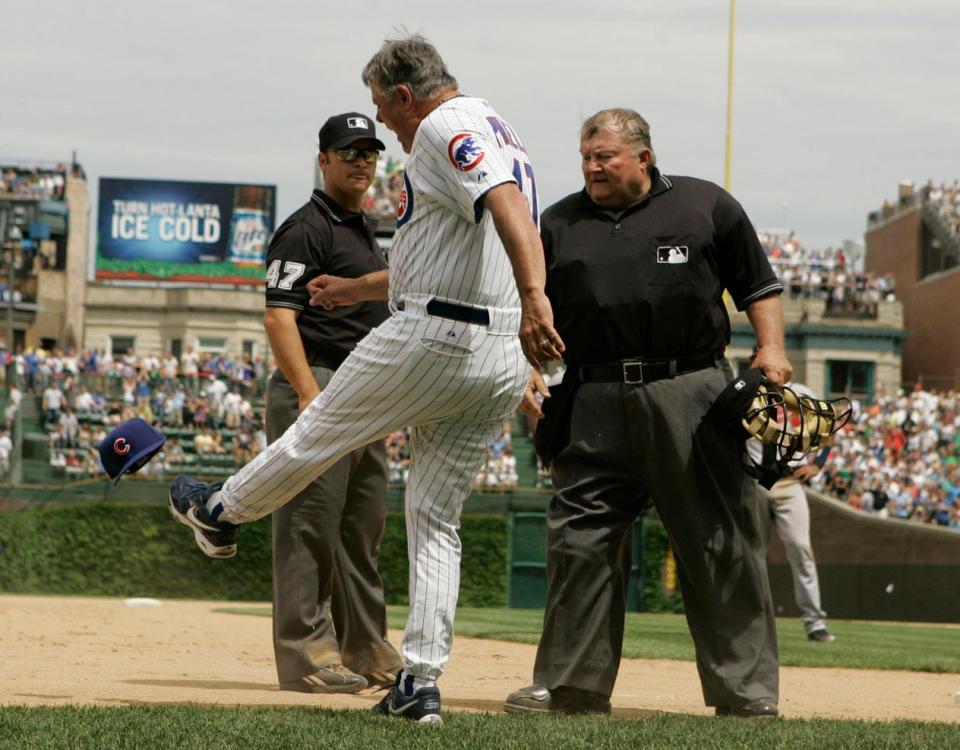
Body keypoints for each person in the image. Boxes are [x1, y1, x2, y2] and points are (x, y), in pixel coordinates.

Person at [167, 34, 560, 724]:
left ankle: (219, 512)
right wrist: (358, 290)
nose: (381, 121)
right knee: (435, 519)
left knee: (316, 431)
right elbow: (460, 242)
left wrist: (537, 298)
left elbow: (505, 206)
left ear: (407, 94)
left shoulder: (443, 124)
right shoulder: (502, 126)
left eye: (382, 105)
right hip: (494, 352)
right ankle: (420, 684)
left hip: (439, 336)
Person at [504, 108, 790, 719]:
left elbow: (758, 286)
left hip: (690, 389)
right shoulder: (556, 222)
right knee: (579, 541)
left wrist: (771, 348)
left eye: (604, 156)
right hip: (592, 395)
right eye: (585, 157)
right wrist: (527, 369)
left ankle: (745, 694)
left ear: (643, 156)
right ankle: (572, 687)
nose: (592, 167)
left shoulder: (703, 206)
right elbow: (526, 309)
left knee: (718, 541)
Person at [263, 111, 402, 695]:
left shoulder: (360, 226)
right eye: (348, 153)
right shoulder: (305, 227)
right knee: (307, 528)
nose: (361, 163)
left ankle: (367, 649)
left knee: (360, 533)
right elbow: (278, 313)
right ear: (322, 161)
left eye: (368, 152)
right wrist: (307, 393)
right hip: (319, 383)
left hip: (361, 392)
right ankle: (306, 656)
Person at [751, 383, 835, 643]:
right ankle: (750, 623)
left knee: (801, 548)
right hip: (754, 482)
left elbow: (829, 429)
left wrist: (818, 464)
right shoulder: (746, 391)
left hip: (789, 482)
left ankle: (815, 622)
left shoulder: (801, 392)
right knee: (753, 552)